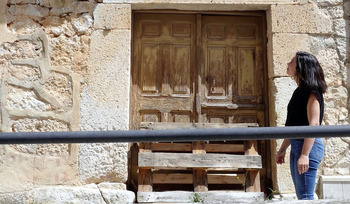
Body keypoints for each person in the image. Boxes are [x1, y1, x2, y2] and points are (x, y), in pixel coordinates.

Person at [275, 51, 327, 200]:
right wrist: (283, 149)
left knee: (305, 197)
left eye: (292, 62)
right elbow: (294, 125)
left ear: (300, 68)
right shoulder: (299, 92)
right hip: (298, 146)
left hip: (308, 148)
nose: (287, 64)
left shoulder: (312, 92)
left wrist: (304, 155)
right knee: (302, 196)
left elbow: (314, 124)